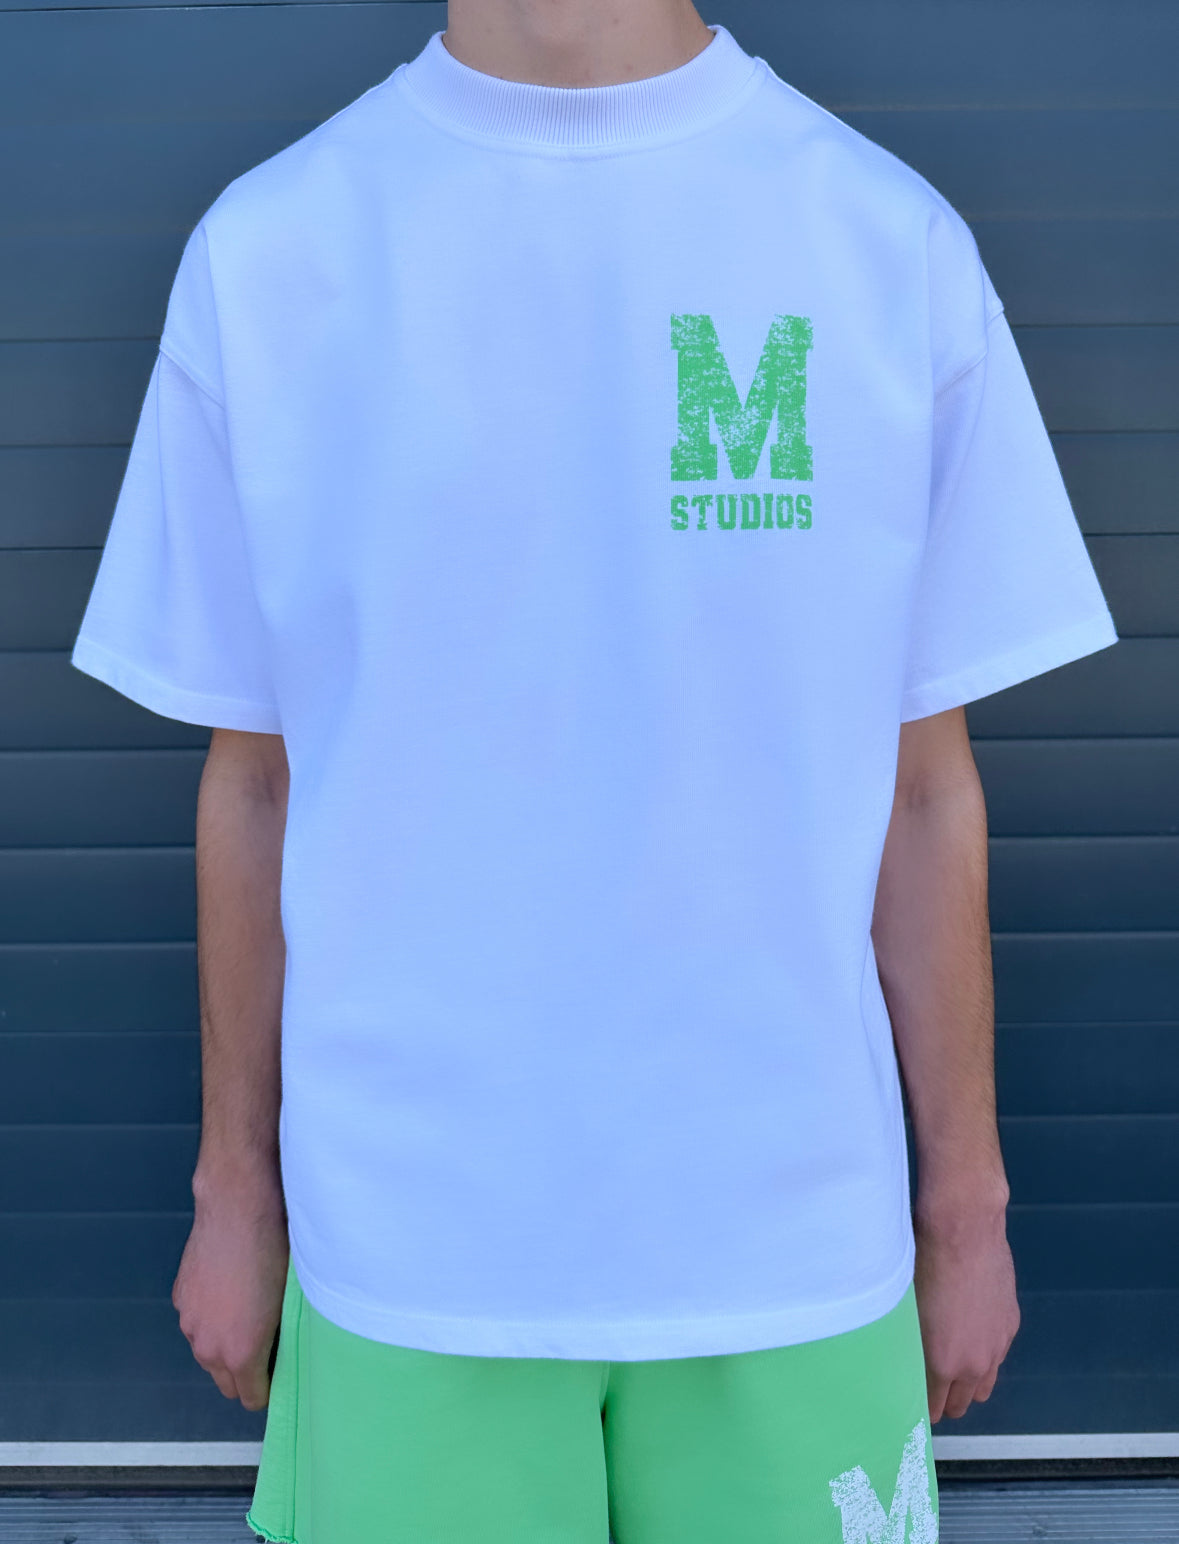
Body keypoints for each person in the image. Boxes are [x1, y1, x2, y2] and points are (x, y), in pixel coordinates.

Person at [70, 2, 1118, 1539]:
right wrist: (235, 1191)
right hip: (411, 1254)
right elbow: (256, 785)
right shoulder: (277, 251)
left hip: (791, 1249)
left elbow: (922, 795)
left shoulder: (882, 242)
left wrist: (967, 1210)